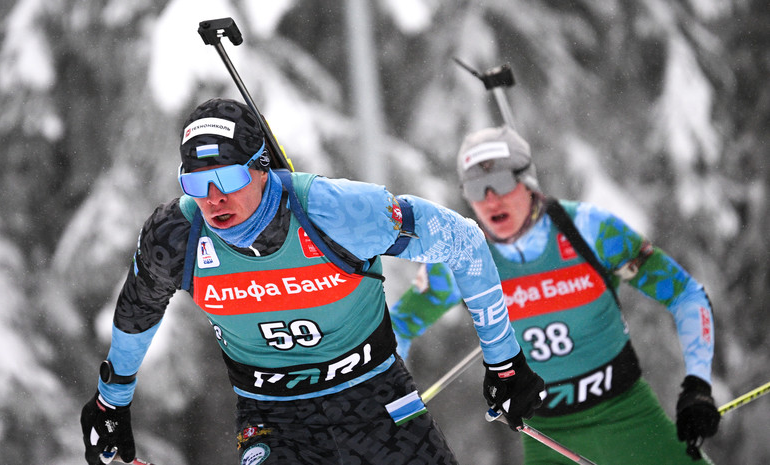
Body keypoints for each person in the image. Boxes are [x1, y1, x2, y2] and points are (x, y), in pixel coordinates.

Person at [80, 98, 545, 465]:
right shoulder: (177, 237)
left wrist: (505, 363)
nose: (214, 198)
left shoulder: (334, 211)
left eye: (226, 177)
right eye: (197, 183)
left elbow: (463, 241)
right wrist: (110, 402)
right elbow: (139, 309)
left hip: (375, 399)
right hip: (271, 418)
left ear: (263, 167)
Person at [390, 126, 721, 464]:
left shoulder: (590, 230)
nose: (491, 199)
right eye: (476, 189)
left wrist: (698, 385)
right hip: (546, 438)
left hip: (629, 415)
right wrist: (392, 408)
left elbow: (685, 294)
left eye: (501, 182)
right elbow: (396, 327)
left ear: (527, 179)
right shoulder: (462, 258)